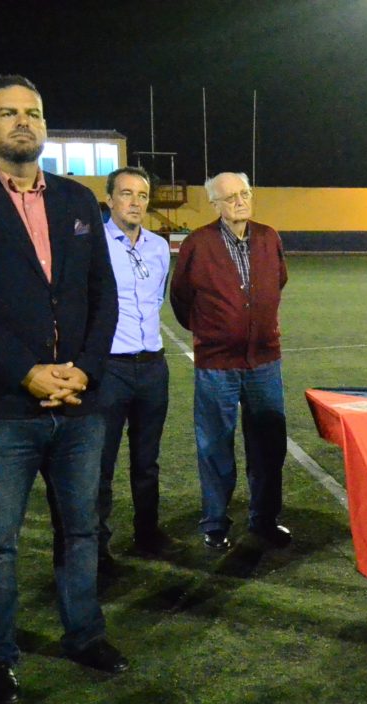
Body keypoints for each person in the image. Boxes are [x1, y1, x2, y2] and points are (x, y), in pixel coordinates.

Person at [0, 74, 129, 704]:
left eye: (33, 113)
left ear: (45, 125)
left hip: (80, 403)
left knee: (83, 531)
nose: (22, 122)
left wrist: (85, 369)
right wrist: (27, 371)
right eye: (9, 113)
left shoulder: (76, 199)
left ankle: (84, 634)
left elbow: (104, 296)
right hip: (0, 407)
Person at [171, 172, 291, 552]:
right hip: (216, 365)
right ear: (215, 204)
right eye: (230, 197)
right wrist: (213, 333)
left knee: (268, 446)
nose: (240, 202)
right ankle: (215, 523)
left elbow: (279, 281)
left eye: (244, 194)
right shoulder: (198, 243)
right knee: (215, 447)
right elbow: (181, 298)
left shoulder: (269, 237)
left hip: (264, 362)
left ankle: (264, 520)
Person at [95, 166, 173, 563]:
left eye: (142, 195)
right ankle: (97, 546)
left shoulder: (158, 247)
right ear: (110, 199)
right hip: (110, 368)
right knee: (101, 462)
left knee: (147, 460)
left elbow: (157, 297)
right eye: (126, 194)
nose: (135, 202)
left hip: (153, 367)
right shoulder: (94, 244)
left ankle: (148, 533)